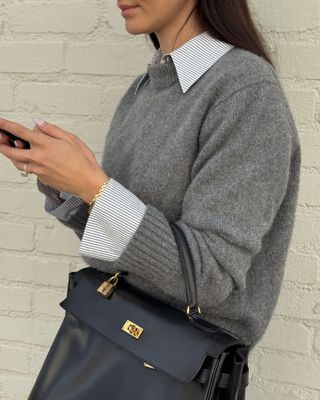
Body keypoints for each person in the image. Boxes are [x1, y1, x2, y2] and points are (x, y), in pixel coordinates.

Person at [0, 0, 301, 351]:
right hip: (113, 345)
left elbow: (210, 278)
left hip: (172, 371)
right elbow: (124, 249)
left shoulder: (245, 91)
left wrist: (93, 184)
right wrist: (64, 183)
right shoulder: (145, 88)